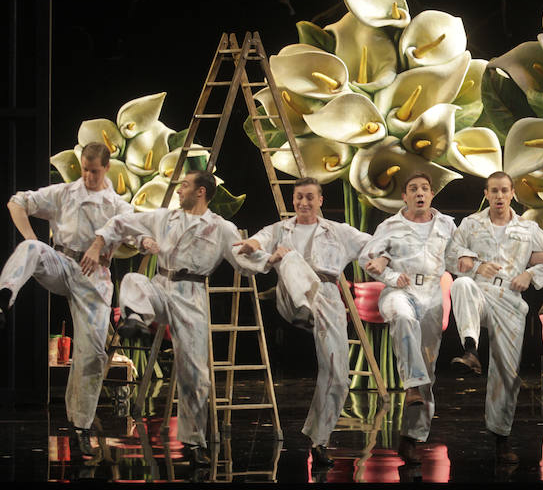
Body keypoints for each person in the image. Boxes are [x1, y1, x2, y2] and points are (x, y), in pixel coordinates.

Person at [82, 169, 269, 466]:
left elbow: (246, 263)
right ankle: (135, 319)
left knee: (195, 376)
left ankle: (194, 443)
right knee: (132, 280)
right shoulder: (165, 218)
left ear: (201, 192)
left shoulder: (221, 228)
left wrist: (268, 256)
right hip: (161, 285)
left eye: (185, 185)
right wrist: (99, 242)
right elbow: (123, 222)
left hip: (191, 296)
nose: (179, 190)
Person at [0, 142, 133, 456]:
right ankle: (4, 297)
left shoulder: (117, 204)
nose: (88, 176)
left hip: (94, 279)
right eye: (85, 169)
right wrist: (33, 237)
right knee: (30, 249)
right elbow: (15, 203)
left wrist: (101, 244)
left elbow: (131, 226)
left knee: (91, 356)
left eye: (94, 171)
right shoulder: (64, 192)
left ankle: (81, 427)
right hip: (63, 264)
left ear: (106, 169)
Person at [232, 177, 371, 468]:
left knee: (338, 374)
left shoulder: (338, 232)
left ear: (320, 201)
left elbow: (372, 246)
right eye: (298, 198)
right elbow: (259, 240)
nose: (303, 203)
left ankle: (320, 440)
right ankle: (299, 299)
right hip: (292, 300)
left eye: (309, 197)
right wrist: (257, 249)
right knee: (288, 256)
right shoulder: (281, 229)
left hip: (327, 298)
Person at [447, 171, 543, 464]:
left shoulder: (527, 227)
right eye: (493, 191)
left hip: (511, 300)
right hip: (481, 292)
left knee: (506, 373)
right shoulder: (471, 224)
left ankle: (501, 438)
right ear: (486, 194)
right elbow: (451, 255)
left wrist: (530, 274)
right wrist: (475, 266)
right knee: (461, 284)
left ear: (512, 193)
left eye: (504, 191)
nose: (499, 196)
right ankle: (471, 349)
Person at [359, 172, 456, 465]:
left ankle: (411, 439)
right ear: (404, 196)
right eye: (413, 189)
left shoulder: (447, 225)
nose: (419, 193)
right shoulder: (390, 225)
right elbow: (368, 258)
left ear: (431, 194)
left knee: (427, 368)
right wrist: (388, 274)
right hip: (399, 289)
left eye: (425, 188)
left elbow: (460, 256)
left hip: (432, 293)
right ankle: (410, 384)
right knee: (403, 318)